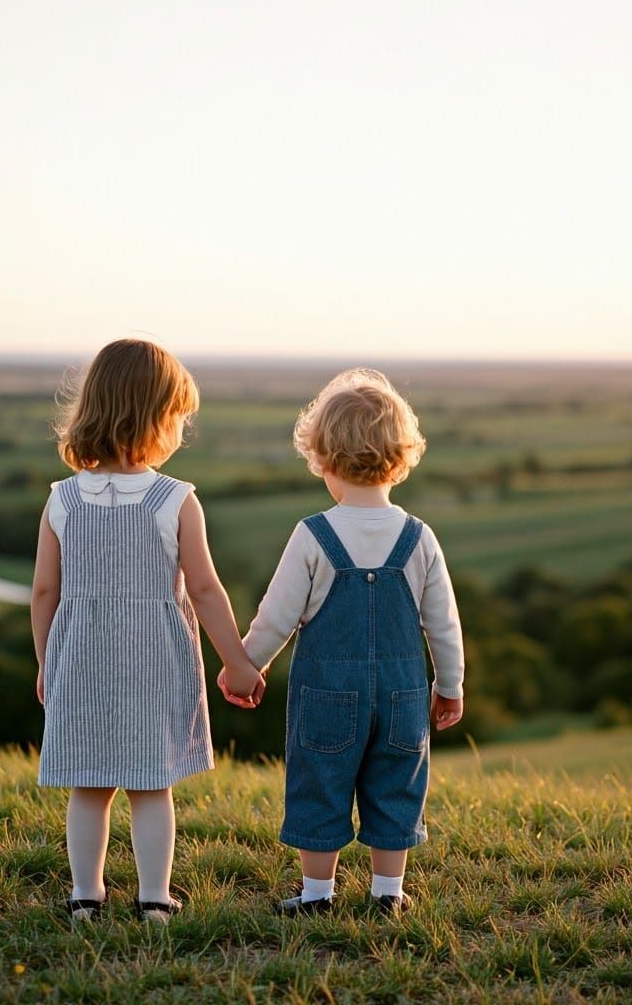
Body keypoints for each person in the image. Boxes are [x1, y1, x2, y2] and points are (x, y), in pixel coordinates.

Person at [31, 338, 265, 924]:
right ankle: (155, 899)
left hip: (80, 660)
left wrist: (45, 663)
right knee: (150, 787)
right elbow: (207, 589)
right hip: (153, 663)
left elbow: (43, 593)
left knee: (88, 786)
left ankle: (86, 895)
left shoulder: (60, 500)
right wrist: (237, 659)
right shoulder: (175, 499)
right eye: (178, 417)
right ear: (155, 418)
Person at [235, 368, 465, 915]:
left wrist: (246, 665)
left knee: (321, 781)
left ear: (324, 459)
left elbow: (277, 616)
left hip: (325, 692)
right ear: (401, 457)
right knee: (396, 783)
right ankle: (389, 893)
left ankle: (318, 894)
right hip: (404, 693)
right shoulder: (420, 537)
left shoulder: (312, 533)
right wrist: (449, 685)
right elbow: (444, 623)